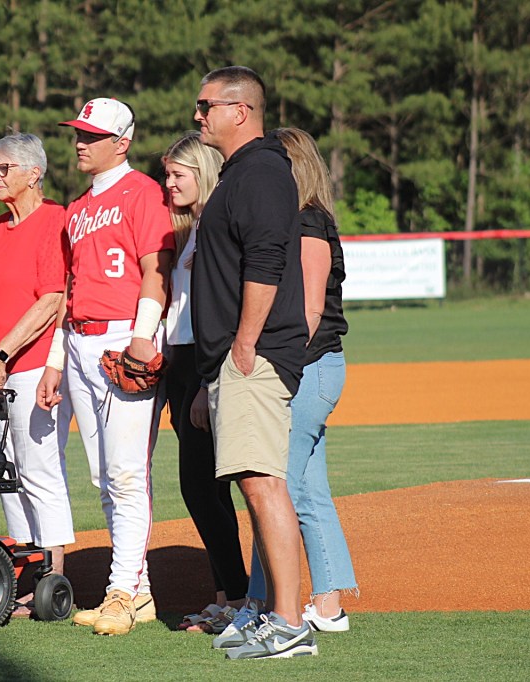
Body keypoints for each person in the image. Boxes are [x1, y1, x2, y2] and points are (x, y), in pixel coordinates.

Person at [190, 66, 315, 659]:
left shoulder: (261, 170)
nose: (198, 115)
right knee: (253, 482)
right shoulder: (241, 171)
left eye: (206, 105)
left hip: (254, 356)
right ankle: (270, 613)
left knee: (264, 484)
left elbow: (266, 261)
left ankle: (289, 623)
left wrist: (244, 344)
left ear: (240, 111)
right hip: (237, 358)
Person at [37, 98, 174, 636]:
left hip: (123, 337)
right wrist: (55, 359)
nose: (80, 142)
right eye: (79, 133)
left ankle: (121, 591)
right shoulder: (75, 208)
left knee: (126, 473)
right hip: (78, 341)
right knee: (103, 475)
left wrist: (143, 334)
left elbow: (155, 268)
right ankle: (138, 593)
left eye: (92, 136)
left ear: (122, 142)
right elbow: (69, 290)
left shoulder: (143, 192)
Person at [241, 127, 356, 632]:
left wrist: (281, 371)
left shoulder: (309, 221)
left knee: (271, 487)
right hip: (315, 366)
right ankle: (328, 606)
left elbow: (309, 312)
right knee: (307, 490)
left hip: (308, 366)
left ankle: (262, 603)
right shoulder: (303, 219)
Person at [0, 132, 73, 616]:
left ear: (34, 173)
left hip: (32, 367)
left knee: (38, 468)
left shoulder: (54, 220)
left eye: (3, 168)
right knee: (7, 472)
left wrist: (3, 352)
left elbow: (52, 299)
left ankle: (53, 579)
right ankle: (24, 577)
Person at [160, 133, 249, 634]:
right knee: (207, 489)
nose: (169, 183)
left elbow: (222, 313)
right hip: (183, 363)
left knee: (202, 488)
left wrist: (204, 383)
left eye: (179, 174)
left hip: (203, 364)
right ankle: (226, 598)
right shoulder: (191, 228)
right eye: (167, 174)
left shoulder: (215, 225)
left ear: (204, 172)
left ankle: (237, 597)